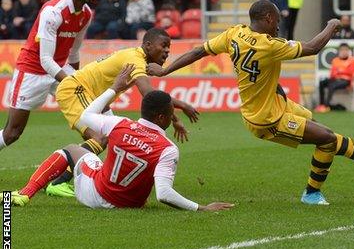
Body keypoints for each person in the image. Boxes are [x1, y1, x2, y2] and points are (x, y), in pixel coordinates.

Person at [147, 0, 354, 205]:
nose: (278, 27)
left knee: (322, 135)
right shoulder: (269, 44)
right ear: (269, 18)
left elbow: (198, 51)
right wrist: (332, 25)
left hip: (276, 104)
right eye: (277, 21)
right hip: (266, 119)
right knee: (327, 138)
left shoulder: (233, 34)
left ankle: (324, 187)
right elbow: (312, 48)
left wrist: (166, 70)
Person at [11, 65, 232, 212]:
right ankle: (54, 186)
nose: (174, 116)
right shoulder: (167, 148)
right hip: (129, 206)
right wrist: (201, 207)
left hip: (92, 195)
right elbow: (163, 194)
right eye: (172, 113)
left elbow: (86, 115)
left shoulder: (120, 124)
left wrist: (114, 88)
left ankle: (25, 193)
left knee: (72, 149)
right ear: (162, 117)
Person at [45, 28, 199, 197]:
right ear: (148, 45)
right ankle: (58, 181)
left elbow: (155, 101)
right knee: (100, 138)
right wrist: (182, 106)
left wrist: (173, 118)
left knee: (114, 139)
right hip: (76, 89)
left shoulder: (138, 59)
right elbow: (149, 95)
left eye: (169, 47)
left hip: (95, 97)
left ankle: (58, 176)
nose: (167, 51)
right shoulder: (136, 59)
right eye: (163, 45)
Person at [0, 0, 96, 152]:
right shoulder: (53, 11)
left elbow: (74, 52)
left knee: (88, 116)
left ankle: (89, 165)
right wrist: (73, 81)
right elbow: (45, 59)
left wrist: (76, 75)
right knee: (12, 133)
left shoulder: (86, 14)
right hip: (31, 70)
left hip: (59, 69)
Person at [315, 43, 354, 113]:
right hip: (335, 79)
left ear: (348, 51)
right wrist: (341, 71)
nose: (344, 52)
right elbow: (332, 73)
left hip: (346, 81)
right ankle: (321, 105)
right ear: (339, 51)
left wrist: (340, 71)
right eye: (342, 50)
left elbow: (350, 73)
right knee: (322, 83)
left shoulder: (353, 61)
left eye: (346, 50)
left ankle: (326, 106)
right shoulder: (335, 60)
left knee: (332, 85)